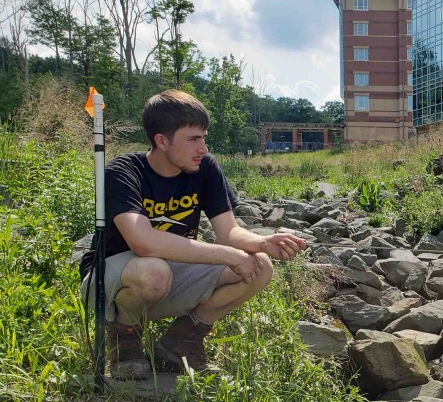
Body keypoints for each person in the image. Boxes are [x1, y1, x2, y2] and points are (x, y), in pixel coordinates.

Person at [80, 89, 307, 379]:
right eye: (193, 139)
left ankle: (183, 339)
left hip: (166, 275)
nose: (203, 148)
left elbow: (229, 232)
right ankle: (124, 335)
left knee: (259, 266)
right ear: (162, 141)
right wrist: (228, 255)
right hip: (111, 282)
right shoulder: (124, 172)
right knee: (153, 271)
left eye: (204, 137)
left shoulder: (204, 168)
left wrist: (263, 242)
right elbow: (144, 242)